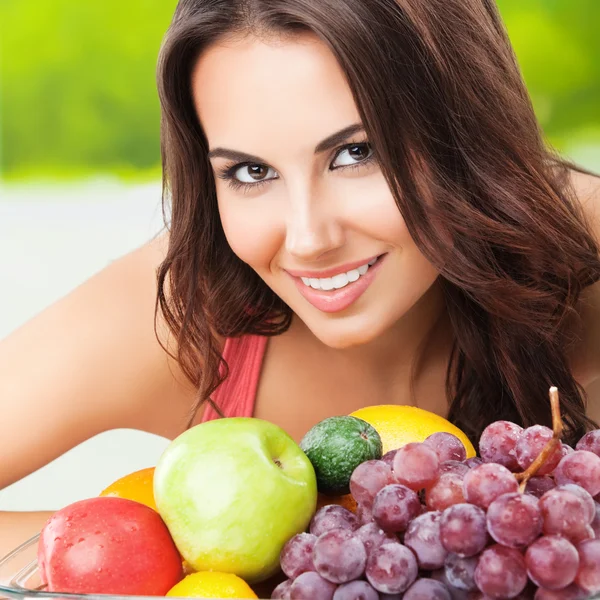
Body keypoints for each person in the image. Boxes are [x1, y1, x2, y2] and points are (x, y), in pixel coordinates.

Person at [1, 0, 600, 556]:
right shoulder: (170, 315)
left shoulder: (580, 252)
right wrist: (186, 564)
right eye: (251, 170)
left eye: (357, 154)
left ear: (468, 138)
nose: (309, 239)